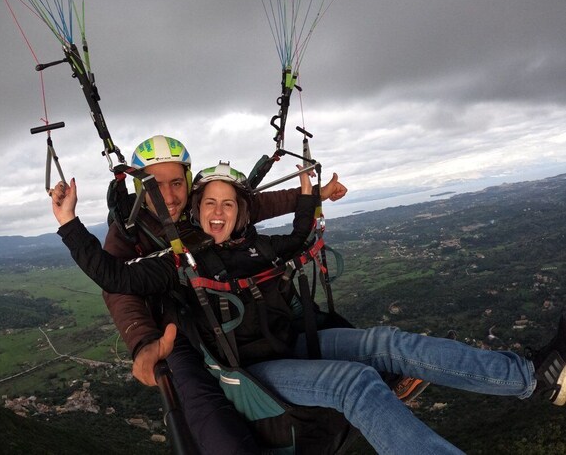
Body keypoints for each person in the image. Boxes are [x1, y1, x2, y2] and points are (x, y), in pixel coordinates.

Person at [52, 162, 566, 455]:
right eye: (208, 204)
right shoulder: (177, 261)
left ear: (239, 212)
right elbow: (115, 274)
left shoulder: (255, 246)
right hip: (252, 367)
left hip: (291, 339)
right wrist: (70, 224)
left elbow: (298, 237)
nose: (218, 212)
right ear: (196, 211)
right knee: (356, 383)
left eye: (228, 204)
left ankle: (530, 378)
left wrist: (310, 197)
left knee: (386, 343)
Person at [98, 135, 345, 454]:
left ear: (187, 180)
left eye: (176, 183)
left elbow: (259, 204)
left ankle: (364, 382)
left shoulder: (198, 207)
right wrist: (143, 342)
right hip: (178, 326)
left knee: (302, 316)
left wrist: (312, 196)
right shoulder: (129, 230)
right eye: (155, 185)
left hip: (224, 304)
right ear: (140, 188)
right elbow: (119, 288)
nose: (170, 196)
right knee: (198, 395)